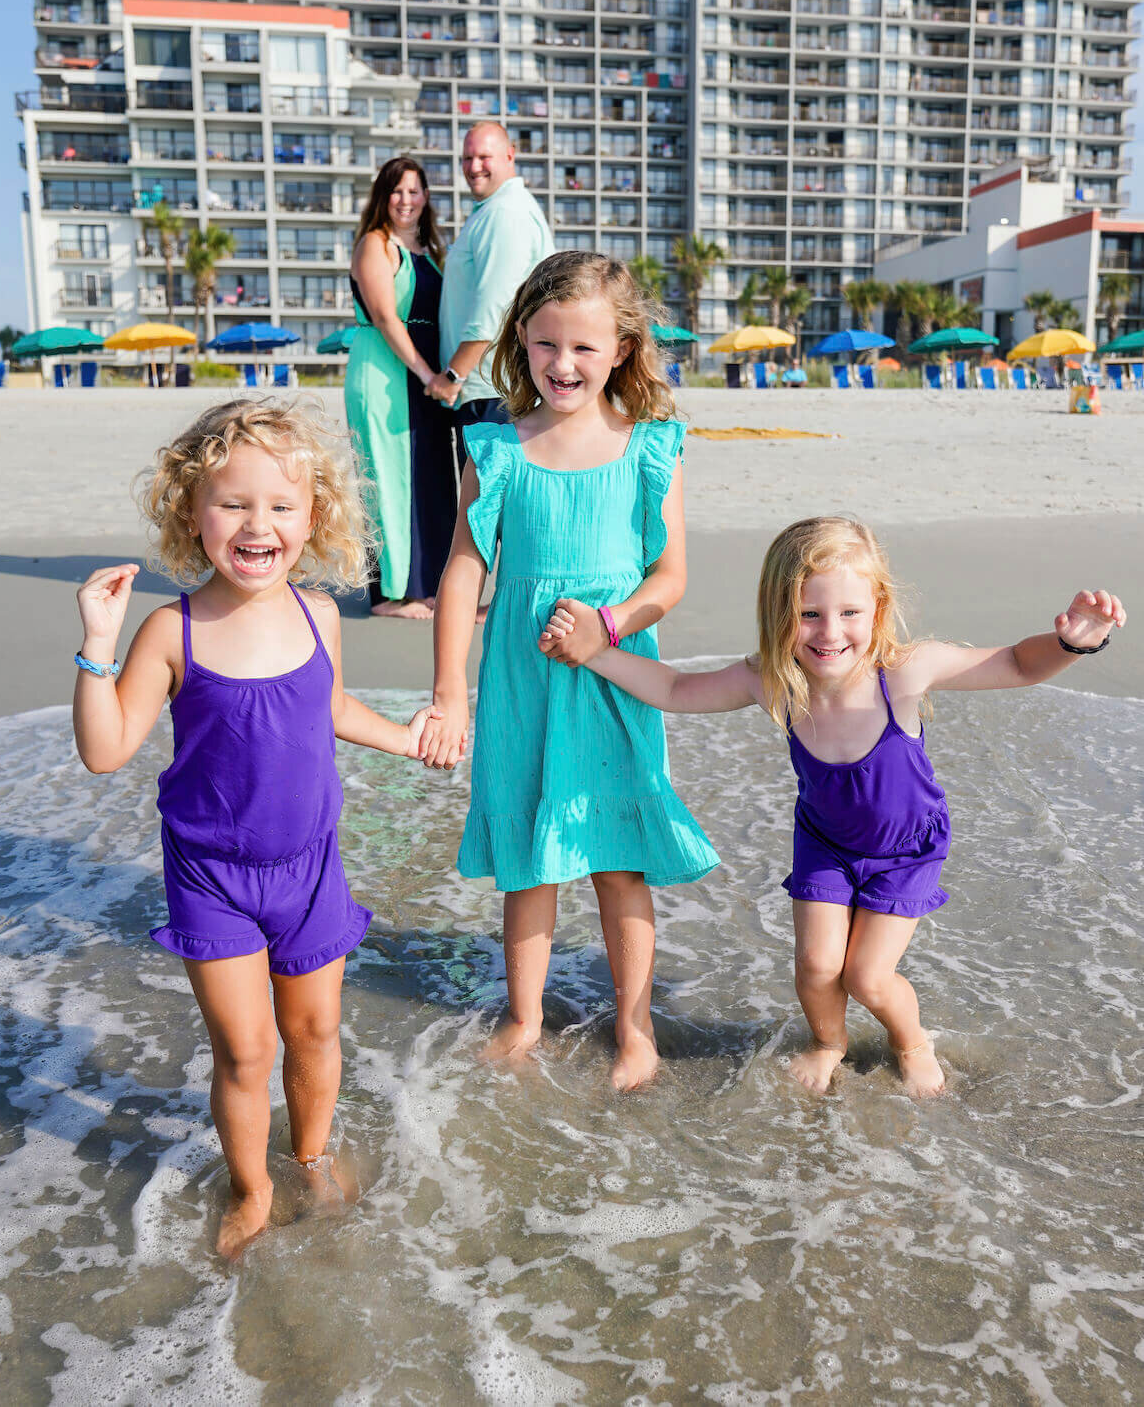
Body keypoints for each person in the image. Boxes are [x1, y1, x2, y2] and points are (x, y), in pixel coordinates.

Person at [543, 516, 1127, 1100]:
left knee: (868, 977)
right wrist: (597, 652)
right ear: (780, 613)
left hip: (905, 850)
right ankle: (828, 1042)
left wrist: (1074, 642)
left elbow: (1019, 665)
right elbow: (674, 691)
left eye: (850, 613)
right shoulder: (772, 681)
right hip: (824, 842)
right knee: (817, 969)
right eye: (809, 614)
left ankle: (912, 1042)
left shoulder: (903, 672)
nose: (830, 632)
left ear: (877, 607)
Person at [72, 397, 442, 1260]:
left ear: (313, 516)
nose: (256, 524)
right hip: (212, 878)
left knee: (314, 1033)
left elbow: (332, 707)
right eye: (233, 504)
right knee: (245, 1052)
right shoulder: (173, 630)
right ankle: (251, 1188)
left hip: (310, 869)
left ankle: (308, 1157)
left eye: (281, 505)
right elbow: (104, 749)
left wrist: (406, 739)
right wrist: (98, 643)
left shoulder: (316, 616)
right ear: (192, 513)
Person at [420, 252, 719, 1091]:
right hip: (519, 678)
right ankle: (524, 1017)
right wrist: (448, 693)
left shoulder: (650, 449)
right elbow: (463, 572)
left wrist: (606, 626)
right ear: (520, 338)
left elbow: (669, 578)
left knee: (618, 858)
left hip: (615, 675)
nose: (563, 364)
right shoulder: (495, 447)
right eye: (546, 344)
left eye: (585, 348)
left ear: (622, 349)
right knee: (528, 855)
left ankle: (633, 1026)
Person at [346, 156, 455, 619]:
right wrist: (429, 375)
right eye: (396, 191)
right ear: (383, 197)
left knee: (429, 480)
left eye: (414, 191)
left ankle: (425, 584)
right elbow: (388, 318)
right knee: (387, 481)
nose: (405, 200)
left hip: (425, 378)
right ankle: (390, 595)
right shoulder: (375, 244)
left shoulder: (432, 250)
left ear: (426, 197)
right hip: (386, 374)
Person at [425, 122, 555, 464]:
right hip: (488, 389)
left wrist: (454, 374)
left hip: (492, 391)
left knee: (485, 510)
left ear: (510, 156)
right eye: (467, 158)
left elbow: (495, 307)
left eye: (484, 156)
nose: (473, 166)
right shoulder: (492, 210)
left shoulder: (505, 213)